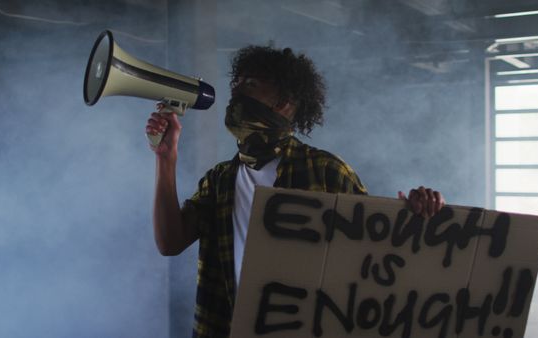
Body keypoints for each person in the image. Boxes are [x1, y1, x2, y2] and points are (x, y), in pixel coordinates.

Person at [146, 46, 445, 338]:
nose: (236, 90)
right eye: (236, 83)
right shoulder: (220, 180)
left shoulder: (326, 171)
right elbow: (170, 242)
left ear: (284, 103)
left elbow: (374, 252)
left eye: (251, 83)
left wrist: (413, 216)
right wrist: (165, 158)